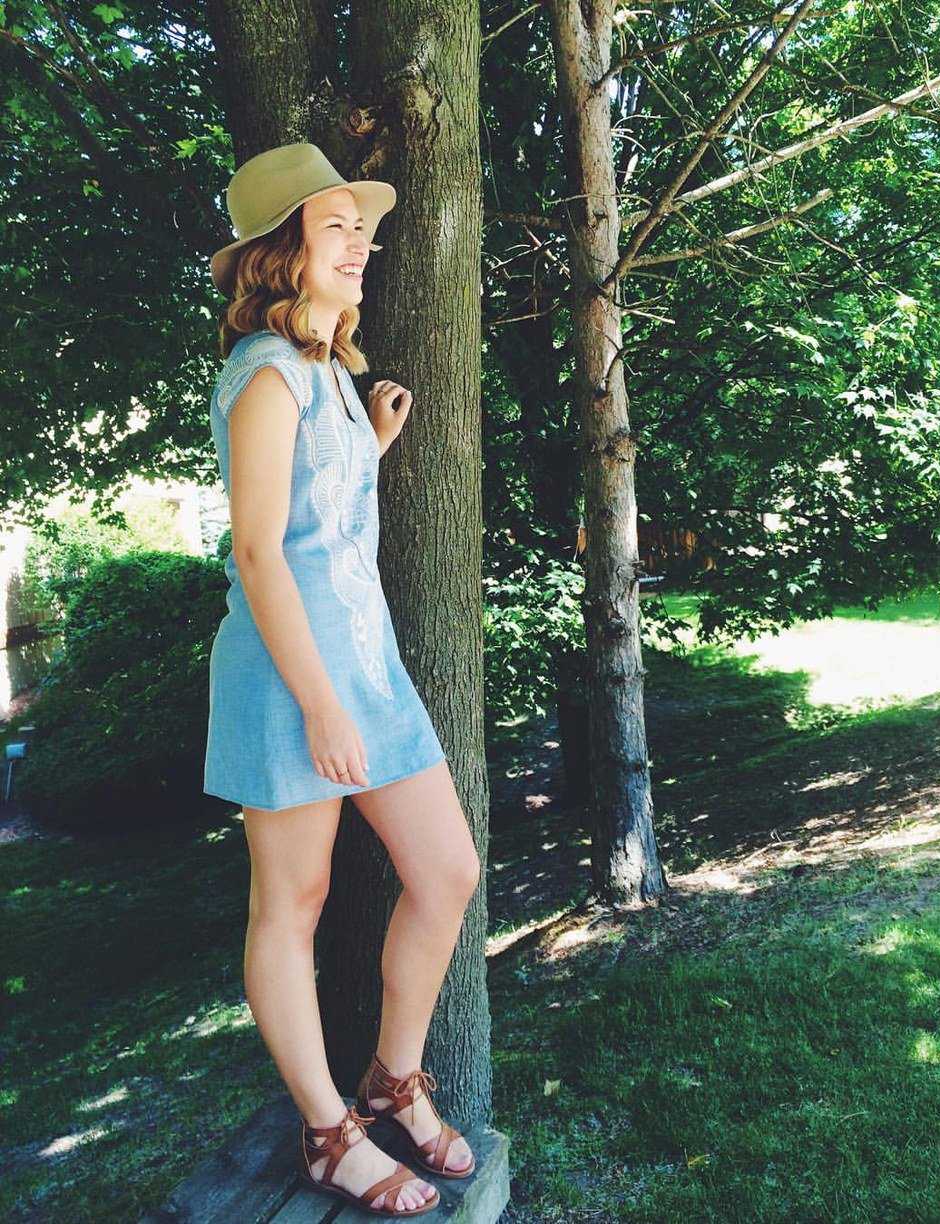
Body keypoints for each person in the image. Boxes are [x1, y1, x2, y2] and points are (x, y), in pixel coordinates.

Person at [204, 144, 480, 1217]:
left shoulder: (325, 370)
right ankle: (329, 1132)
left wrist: (371, 443)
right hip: (291, 677)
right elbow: (259, 551)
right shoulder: (265, 373)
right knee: (294, 902)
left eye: (361, 230)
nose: (359, 244)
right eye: (336, 227)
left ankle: (392, 1079)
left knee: (446, 872)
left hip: (368, 665)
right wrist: (319, 706)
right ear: (282, 251)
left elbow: (315, 516)